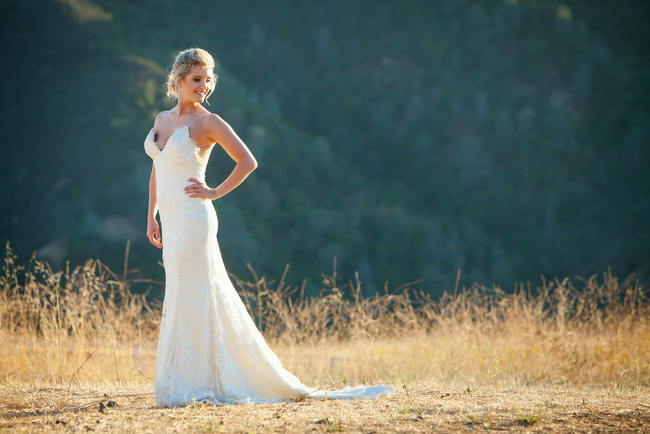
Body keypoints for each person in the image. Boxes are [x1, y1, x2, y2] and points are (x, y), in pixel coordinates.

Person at [144, 47, 395, 407]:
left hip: (195, 219)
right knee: (180, 293)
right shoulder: (162, 119)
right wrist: (150, 214)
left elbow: (248, 161)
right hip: (170, 220)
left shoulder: (208, 122)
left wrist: (213, 191)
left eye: (208, 79)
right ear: (178, 80)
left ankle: (200, 382)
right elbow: (158, 167)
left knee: (197, 296)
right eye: (196, 79)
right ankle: (182, 378)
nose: (204, 86)